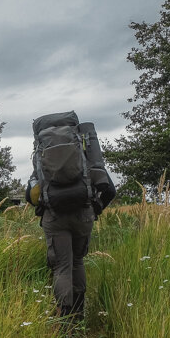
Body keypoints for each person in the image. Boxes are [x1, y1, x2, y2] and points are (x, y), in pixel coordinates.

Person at [28, 111, 116, 323]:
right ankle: (79, 315)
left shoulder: (41, 157)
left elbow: (31, 196)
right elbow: (109, 190)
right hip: (84, 214)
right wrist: (96, 208)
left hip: (55, 217)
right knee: (77, 261)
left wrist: (44, 203)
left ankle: (64, 322)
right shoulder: (84, 155)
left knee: (61, 267)